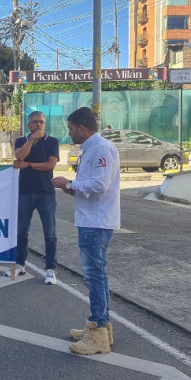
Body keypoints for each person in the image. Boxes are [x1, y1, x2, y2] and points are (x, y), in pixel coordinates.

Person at [52, 106, 120, 356]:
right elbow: (92, 184)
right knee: (97, 275)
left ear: (82, 128)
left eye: (71, 129)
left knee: (94, 276)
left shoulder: (100, 148)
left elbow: (101, 184)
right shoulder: (92, 148)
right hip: (91, 219)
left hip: (96, 222)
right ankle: (100, 325)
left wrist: (70, 183)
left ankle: (98, 331)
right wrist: (73, 188)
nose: (69, 134)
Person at [10, 111, 60, 284]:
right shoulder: (21, 140)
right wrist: (31, 140)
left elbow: (50, 165)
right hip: (24, 191)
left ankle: (50, 269)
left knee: (50, 232)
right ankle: (20, 264)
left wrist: (29, 165)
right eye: (35, 122)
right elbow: (19, 156)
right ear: (28, 124)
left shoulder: (52, 141)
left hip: (45, 192)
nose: (39, 125)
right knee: (21, 230)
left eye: (42, 122)